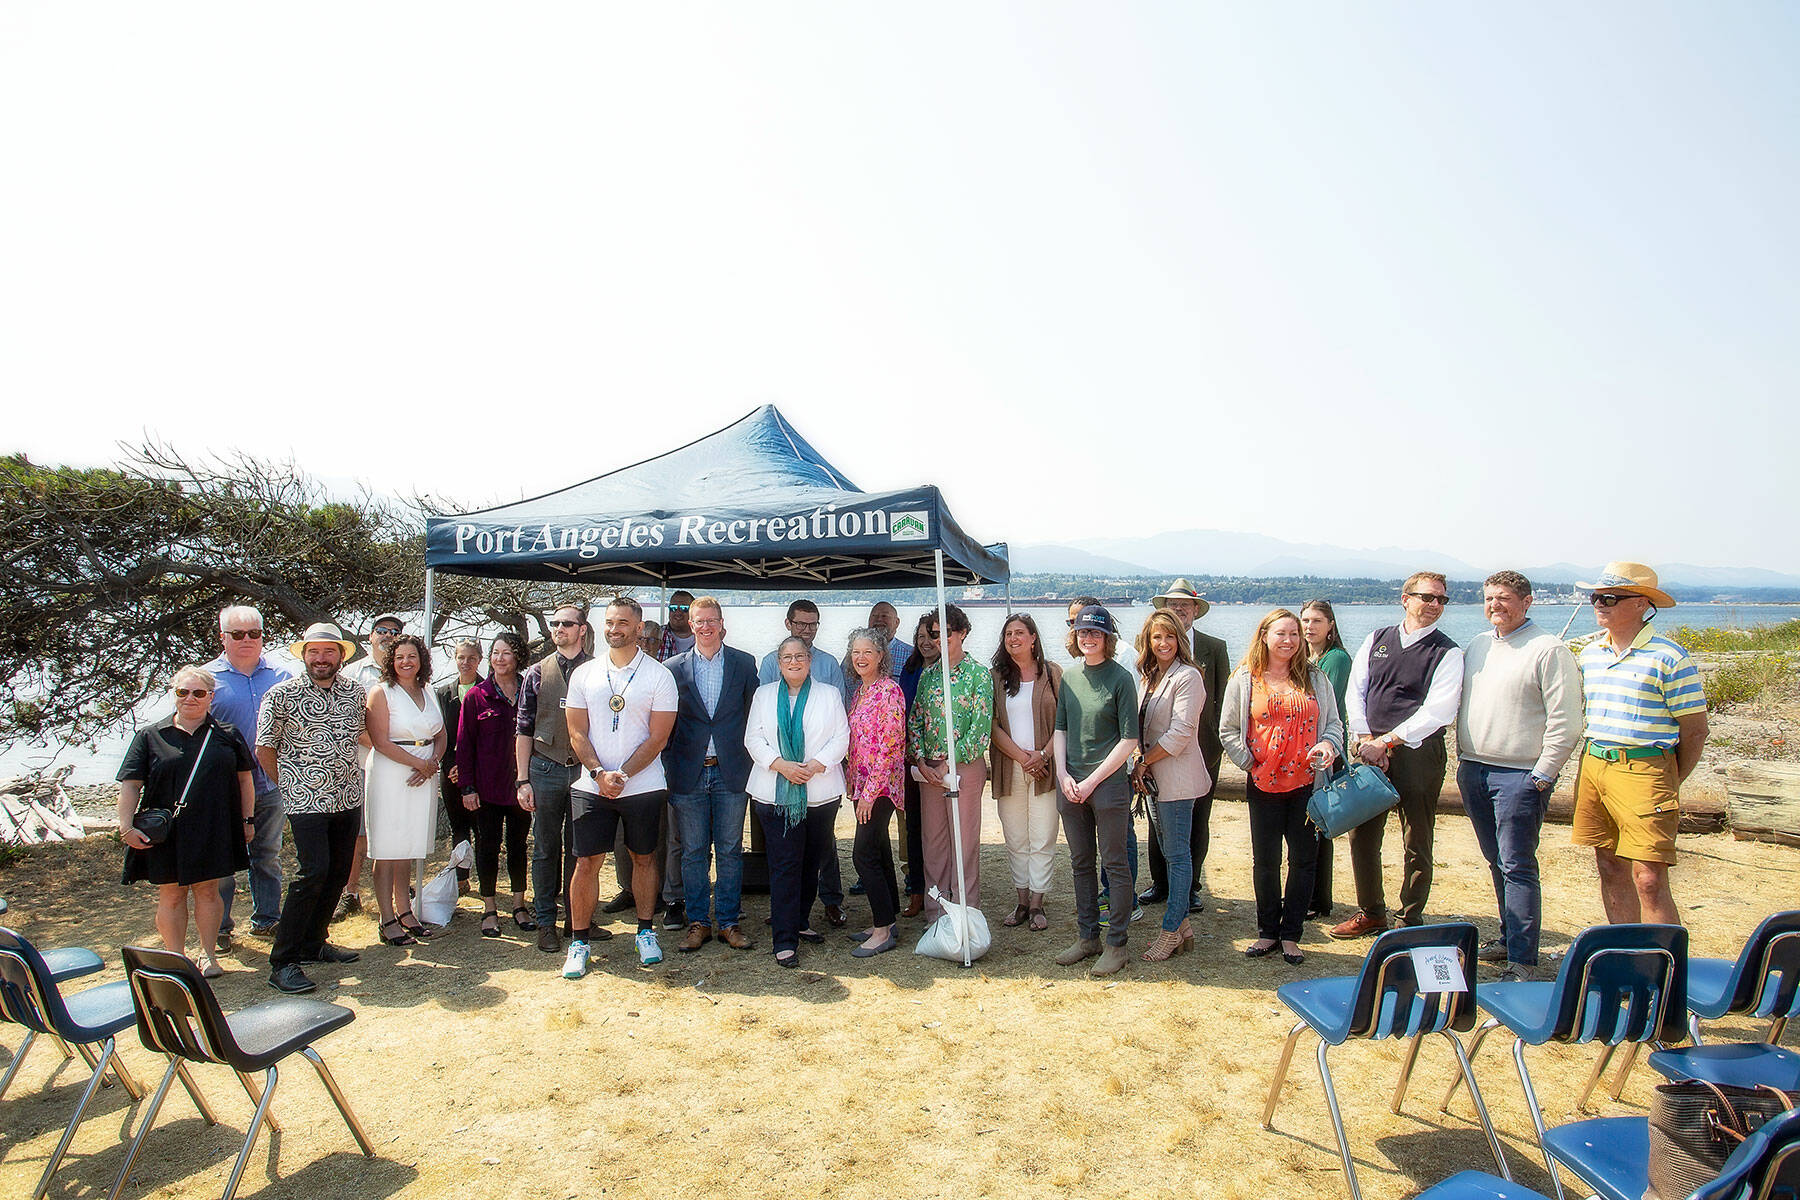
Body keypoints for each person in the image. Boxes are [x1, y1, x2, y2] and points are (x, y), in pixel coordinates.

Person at [1457, 572, 1583, 981]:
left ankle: (1524, 960)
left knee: (1517, 865)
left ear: (1527, 602)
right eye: (1490, 598)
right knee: (1496, 861)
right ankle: (1509, 938)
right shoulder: (1478, 646)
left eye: (1505, 598)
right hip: (1474, 769)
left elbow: (1566, 722)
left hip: (1520, 776)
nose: (1496, 605)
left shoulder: (1549, 649)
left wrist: (1542, 776)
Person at [1571, 561, 1708, 926]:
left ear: (1641, 604)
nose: (1599, 604)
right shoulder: (1590, 654)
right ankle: (1623, 956)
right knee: (1609, 864)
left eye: (1610, 597)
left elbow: (1695, 730)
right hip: (1595, 763)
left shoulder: (1669, 657)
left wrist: (1668, 779)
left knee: (1649, 878)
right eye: (1595, 597)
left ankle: (1664, 969)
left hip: (1647, 766)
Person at [1332, 572, 1464, 938]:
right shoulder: (1377, 639)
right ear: (1405, 598)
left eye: (1441, 599)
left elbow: (1438, 711)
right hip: (1369, 751)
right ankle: (1371, 912)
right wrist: (1364, 739)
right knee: (1362, 834)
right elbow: (1356, 692)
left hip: (1418, 756)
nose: (1435, 604)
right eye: (1427, 597)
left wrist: (1386, 742)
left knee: (1416, 838)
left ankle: (1409, 919)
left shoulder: (1448, 652)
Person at [562, 596, 680, 977]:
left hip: (643, 786)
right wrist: (598, 774)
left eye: (623, 623)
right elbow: (576, 731)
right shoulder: (584, 674)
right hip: (591, 785)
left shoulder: (659, 676)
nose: (615, 629)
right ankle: (579, 941)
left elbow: (658, 738)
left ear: (639, 627)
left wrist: (623, 775)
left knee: (644, 858)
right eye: (610, 622)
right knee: (586, 862)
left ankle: (645, 932)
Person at [1221, 610, 1344, 966]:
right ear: (1264, 636)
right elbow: (1228, 730)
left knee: (1304, 861)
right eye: (1281, 633)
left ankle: (1291, 935)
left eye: (1294, 634)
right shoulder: (1244, 679)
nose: (1289, 640)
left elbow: (1334, 725)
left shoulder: (1316, 678)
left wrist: (1328, 747)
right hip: (1262, 783)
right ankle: (1267, 931)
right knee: (1266, 861)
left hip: (1307, 785)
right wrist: (1250, 763)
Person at [117, 666, 255, 979]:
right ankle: (175, 958)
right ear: (174, 694)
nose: (190, 698)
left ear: (211, 697)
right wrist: (126, 827)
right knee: (172, 894)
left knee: (208, 892)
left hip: (213, 825)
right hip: (167, 830)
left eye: (198, 693)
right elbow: (131, 784)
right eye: (183, 692)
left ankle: (208, 955)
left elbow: (245, 781)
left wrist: (247, 820)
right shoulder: (150, 736)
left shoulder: (227, 735)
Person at [256, 623, 367, 995]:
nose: (321, 659)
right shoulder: (281, 695)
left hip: (348, 796)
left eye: (329, 652)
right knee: (312, 872)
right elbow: (264, 748)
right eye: (314, 652)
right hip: (306, 801)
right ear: (304, 655)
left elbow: (365, 737)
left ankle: (314, 942)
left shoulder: (354, 692)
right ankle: (283, 961)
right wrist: (290, 786)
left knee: (337, 872)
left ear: (340, 656)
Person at [746, 636, 850, 967]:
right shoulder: (763, 695)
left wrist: (817, 764)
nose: (794, 662)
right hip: (773, 792)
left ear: (809, 660)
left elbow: (841, 736)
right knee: (785, 865)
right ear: (778, 663)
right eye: (787, 657)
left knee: (811, 863)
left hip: (820, 793)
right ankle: (785, 939)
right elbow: (753, 738)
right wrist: (781, 765)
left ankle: (801, 922)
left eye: (800, 656)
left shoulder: (829, 694)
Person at [663, 596, 760, 953]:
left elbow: (754, 715)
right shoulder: (673, 668)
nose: (705, 627)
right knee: (692, 852)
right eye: (698, 621)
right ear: (691, 625)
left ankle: (729, 923)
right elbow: (665, 721)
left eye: (711, 621)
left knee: (731, 851)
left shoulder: (743, 663)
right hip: (687, 773)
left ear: (722, 623)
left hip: (731, 772)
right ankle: (699, 922)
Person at [1053, 605, 1140, 976]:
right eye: (1082, 632)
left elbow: (1129, 739)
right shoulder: (1070, 678)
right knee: (1080, 863)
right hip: (1071, 785)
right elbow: (1060, 731)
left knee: (1115, 864)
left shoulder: (1121, 679)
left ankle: (1116, 944)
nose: (1088, 638)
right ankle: (1087, 937)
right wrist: (1062, 775)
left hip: (1108, 787)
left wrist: (1091, 781)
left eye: (1095, 633)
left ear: (1108, 638)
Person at [202, 605, 294, 944]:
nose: (246, 640)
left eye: (253, 633)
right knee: (223, 861)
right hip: (223, 788)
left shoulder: (283, 677)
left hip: (270, 782)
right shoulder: (206, 679)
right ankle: (221, 928)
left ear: (262, 636)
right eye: (237, 634)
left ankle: (267, 919)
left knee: (267, 855)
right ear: (222, 637)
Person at [758, 599, 847, 924]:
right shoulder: (770, 662)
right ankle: (789, 911)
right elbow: (765, 716)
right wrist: (784, 763)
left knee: (822, 846)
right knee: (786, 850)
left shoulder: (829, 664)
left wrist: (817, 763)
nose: (806, 630)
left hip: (819, 774)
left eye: (812, 624)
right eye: (801, 624)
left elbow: (839, 717)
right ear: (788, 623)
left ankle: (831, 900)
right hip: (780, 776)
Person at [515, 603, 597, 954]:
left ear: (582, 629)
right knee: (546, 848)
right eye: (555, 624)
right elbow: (523, 729)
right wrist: (522, 780)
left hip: (583, 770)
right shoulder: (536, 672)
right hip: (545, 768)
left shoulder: (598, 671)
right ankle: (546, 921)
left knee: (582, 850)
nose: (559, 629)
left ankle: (577, 920)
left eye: (567, 624)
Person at [1144, 580, 1228, 915]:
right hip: (1155, 759)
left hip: (1201, 751)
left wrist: (1218, 746)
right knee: (1157, 824)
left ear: (1195, 610)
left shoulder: (1214, 648)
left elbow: (1222, 702)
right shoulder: (1150, 663)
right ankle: (1160, 884)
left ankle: (1190, 889)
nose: (1179, 610)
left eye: (1185, 605)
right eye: (1173, 605)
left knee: (1196, 823)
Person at [1131, 609, 1211, 961]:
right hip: (1154, 778)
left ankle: (1170, 929)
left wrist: (1144, 761)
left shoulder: (1188, 677)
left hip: (1176, 778)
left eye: (1169, 636)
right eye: (1156, 637)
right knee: (1167, 850)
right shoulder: (1151, 677)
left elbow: (1180, 733)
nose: (1163, 643)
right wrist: (1141, 761)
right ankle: (1184, 929)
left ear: (1179, 639)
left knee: (1178, 855)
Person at [906, 604, 993, 922]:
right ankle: (936, 914)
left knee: (964, 842)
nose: (937, 639)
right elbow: (914, 720)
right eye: (932, 634)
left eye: (944, 632)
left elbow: (980, 729)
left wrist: (949, 764)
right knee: (934, 843)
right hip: (929, 770)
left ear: (962, 633)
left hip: (963, 769)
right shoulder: (928, 674)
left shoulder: (978, 674)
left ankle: (965, 915)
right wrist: (921, 759)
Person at [364, 634, 445, 946]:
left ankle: (405, 911)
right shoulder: (382, 692)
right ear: (391, 661)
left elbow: (441, 733)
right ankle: (386, 919)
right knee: (387, 848)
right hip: (392, 772)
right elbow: (380, 741)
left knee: (407, 846)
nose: (406, 662)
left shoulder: (428, 690)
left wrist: (432, 762)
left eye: (412, 656)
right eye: (400, 657)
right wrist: (418, 763)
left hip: (424, 773)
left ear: (421, 659)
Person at [458, 633, 537, 939]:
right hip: (486, 789)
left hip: (521, 786)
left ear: (517, 656)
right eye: (494, 653)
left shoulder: (530, 690)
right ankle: (489, 908)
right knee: (487, 846)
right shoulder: (476, 695)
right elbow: (464, 745)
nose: (499, 658)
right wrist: (467, 787)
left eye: (506, 653)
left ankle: (519, 905)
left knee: (519, 846)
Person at [988, 613, 1062, 933]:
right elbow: (991, 725)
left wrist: (1042, 754)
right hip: (1011, 767)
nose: (1013, 638)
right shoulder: (995, 677)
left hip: (1046, 767)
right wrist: (1021, 757)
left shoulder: (1053, 673)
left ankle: (1037, 903)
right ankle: (1021, 900)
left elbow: (1065, 721)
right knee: (1015, 836)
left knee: (1043, 836)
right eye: (1008, 634)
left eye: (1019, 633)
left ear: (1033, 638)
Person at [336, 611, 406, 922]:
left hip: (401, 767)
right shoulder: (352, 674)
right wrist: (383, 746)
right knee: (358, 834)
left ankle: (397, 894)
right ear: (370, 636)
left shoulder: (408, 673)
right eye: (382, 630)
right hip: (360, 765)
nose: (388, 636)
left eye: (395, 632)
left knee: (396, 830)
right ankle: (350, 892)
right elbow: (348, 721)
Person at [845, 628, 907, 956]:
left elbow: (891, 746)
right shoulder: (860, 691)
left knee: (863, 853)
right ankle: (887, 919)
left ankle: (882, 932)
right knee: (880, 850)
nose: (860, 657)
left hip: (880, 788)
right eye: (856, 651)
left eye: (867, 651)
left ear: (881, 655)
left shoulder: (889, 691)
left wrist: (869, 793)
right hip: (861, 786)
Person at [1300, 599, 1352, 919]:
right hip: (1306, 752)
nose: (1309, 626)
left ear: (1331, 625)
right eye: (1305, 620)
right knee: (1310, 823)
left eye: (1317, 621)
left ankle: (1318, 898)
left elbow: (1324, 708)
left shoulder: (1336, 660)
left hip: (1324, 751)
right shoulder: (1306, 657)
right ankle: (1311, 893)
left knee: (1319, 823)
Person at [895, 614, 940, 918]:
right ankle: (916, 891)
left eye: (931, 636)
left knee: (937, 829)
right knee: (913, 827)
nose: (925, 642)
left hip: (940, 760)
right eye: (920, 637)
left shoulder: (950, 671)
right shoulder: (909, 670)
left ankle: (940, 889)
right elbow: (901, 713)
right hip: (911, 759)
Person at [438, 638, 484, 894]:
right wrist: (450, 765)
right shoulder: (444, 692)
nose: (465, 663)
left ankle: (485, 879)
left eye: (471, 658)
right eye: (461, 658)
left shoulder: (487, 689)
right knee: (459, 826)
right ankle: (460, 877)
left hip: (480, 771)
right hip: (451, 770)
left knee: (481, 826)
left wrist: (471, 768)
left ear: (479, 660)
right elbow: (441, 732)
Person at [869, 601, 912, 676]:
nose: (879, 619)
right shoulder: (855, 655)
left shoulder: (911, 655)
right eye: (874, 616)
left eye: (884, 616)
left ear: (897, 622)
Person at [659, 590, 697, 659]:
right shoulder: (656, 634)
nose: (678, 612)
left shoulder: (704, 637)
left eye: (684, 608)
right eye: (673, 608)